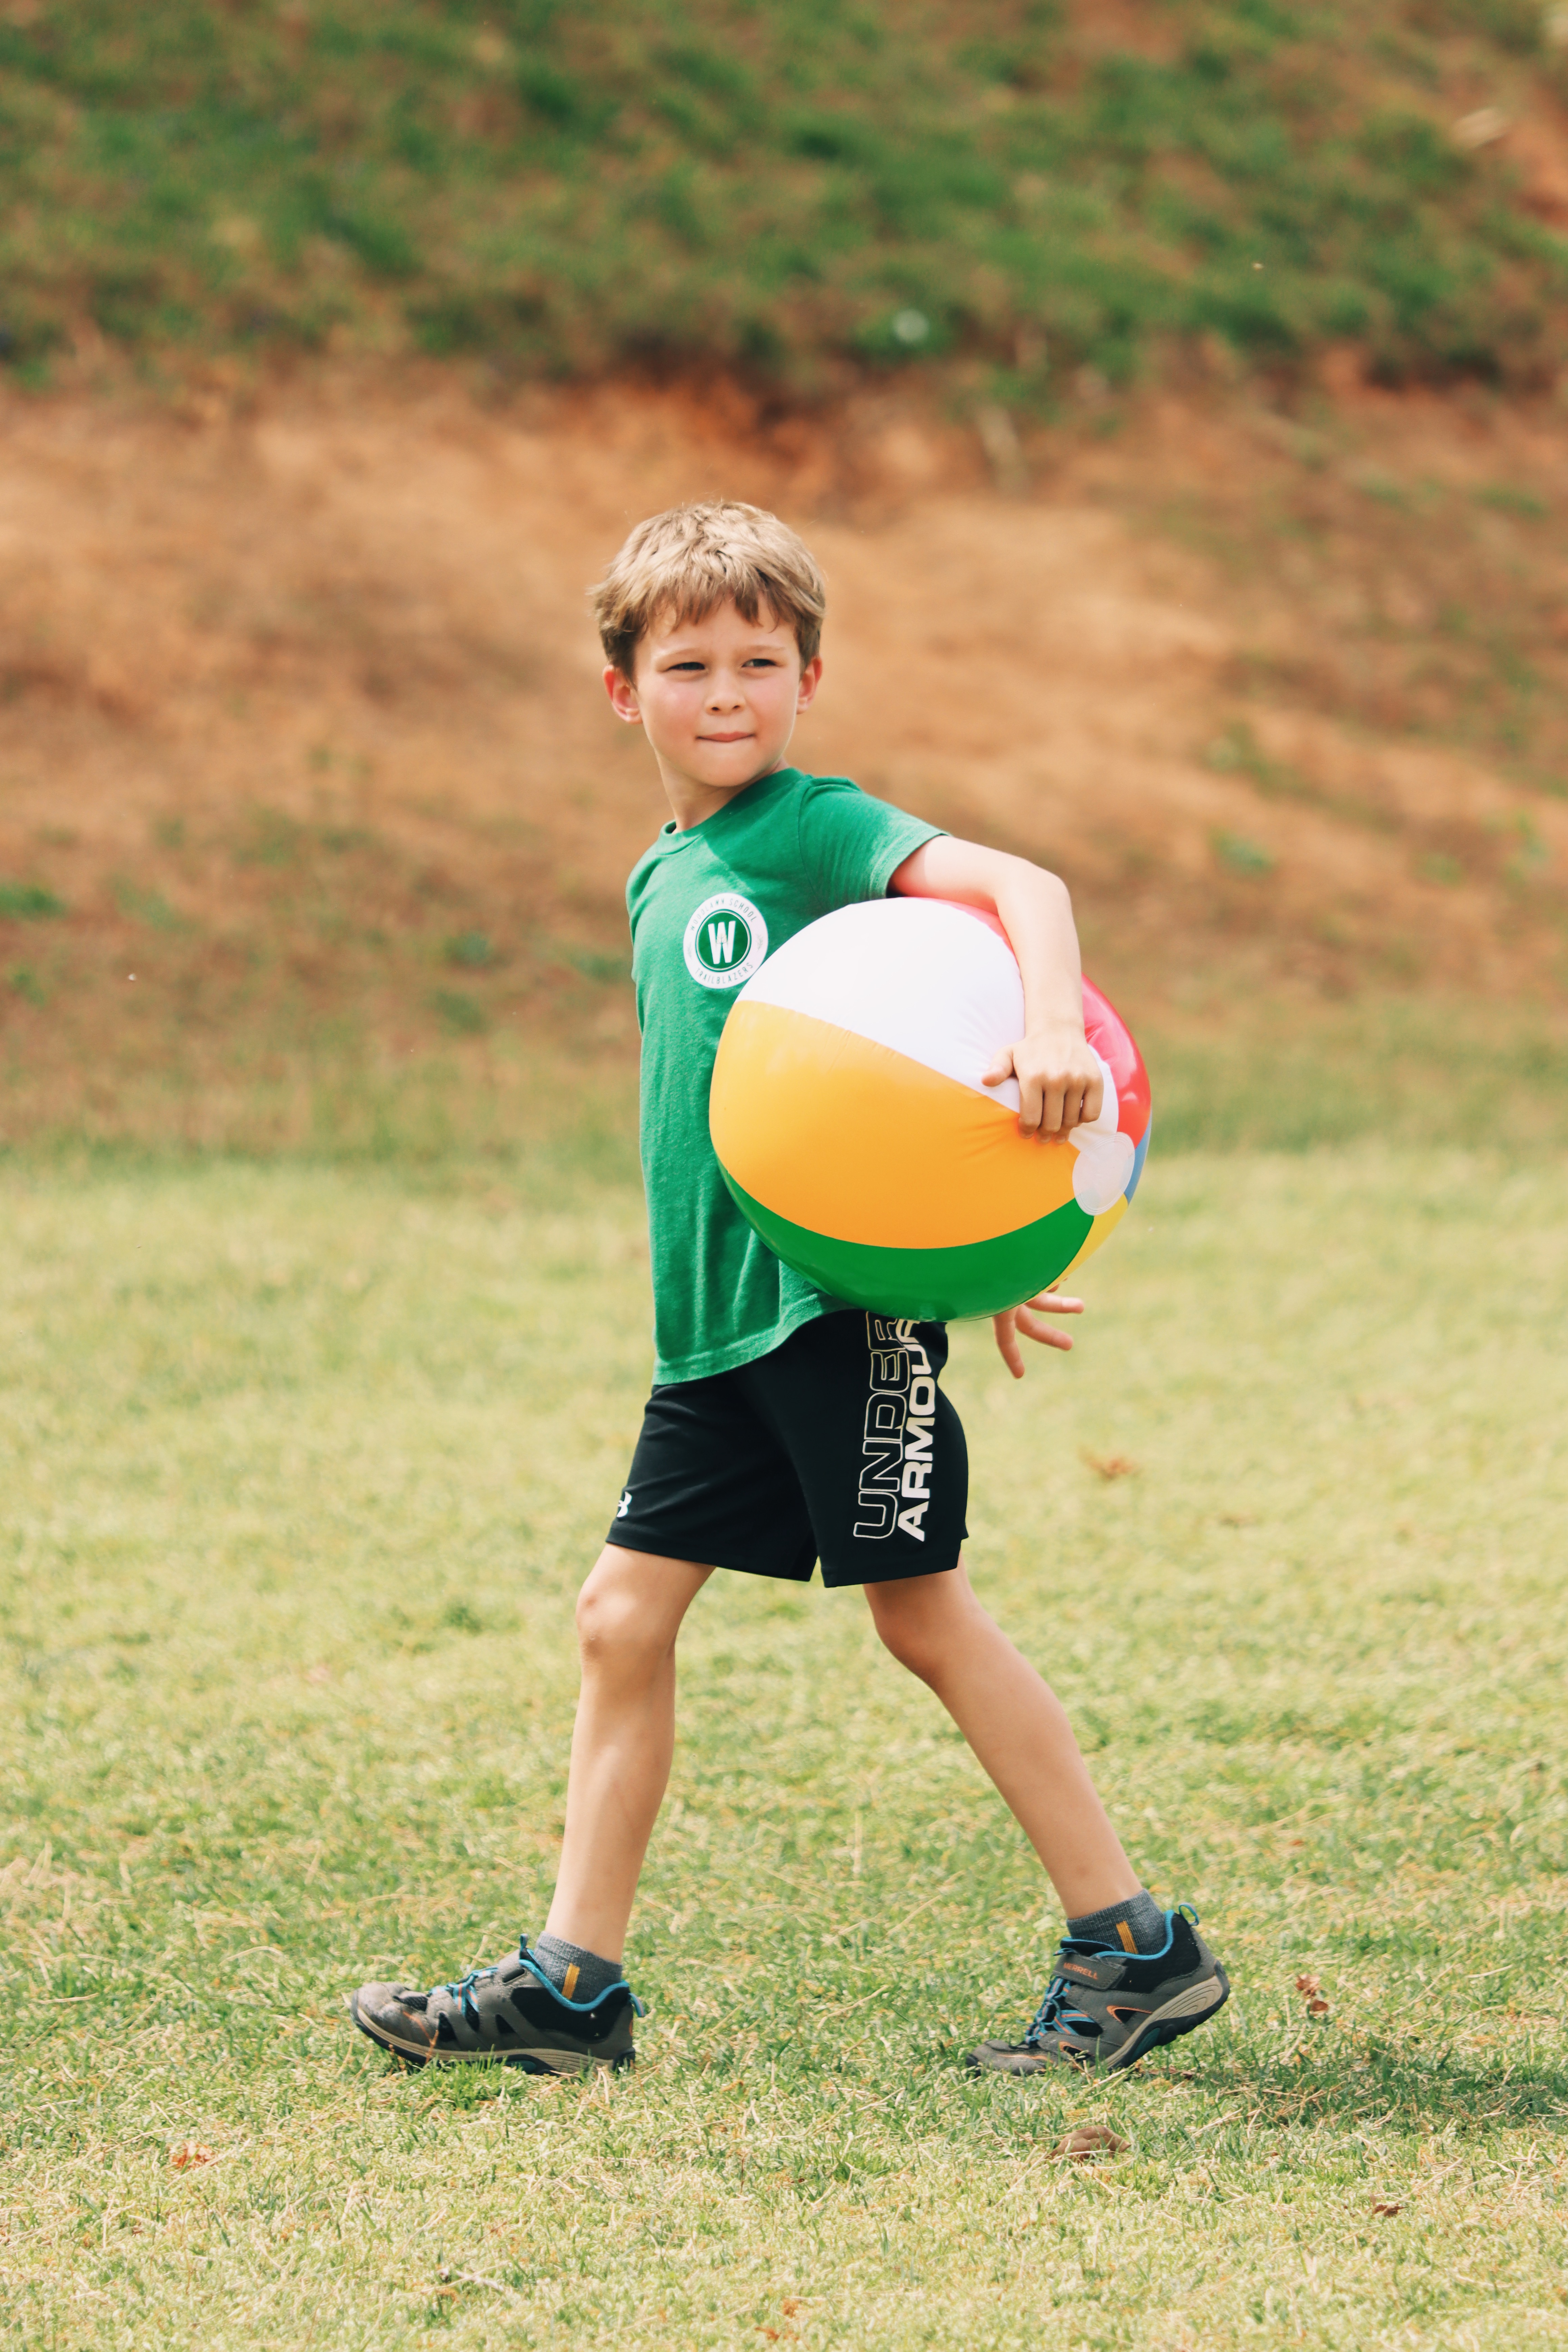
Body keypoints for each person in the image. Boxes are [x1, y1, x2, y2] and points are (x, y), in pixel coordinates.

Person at [349, 501, 1228, 2078]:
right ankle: (571, 1989)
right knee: (619, 1618)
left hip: (830, 1320)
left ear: (809, 678)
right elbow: (846, 1097)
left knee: (921, 1617)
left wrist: (1037, 1074)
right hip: (714, 1333)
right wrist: (949, 1226)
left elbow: (1024, 892)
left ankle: (1131, 1948)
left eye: (760, 662)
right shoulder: (658, 876)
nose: (726, 694)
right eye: (687, 665)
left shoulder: (817, 830)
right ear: (621, 689)